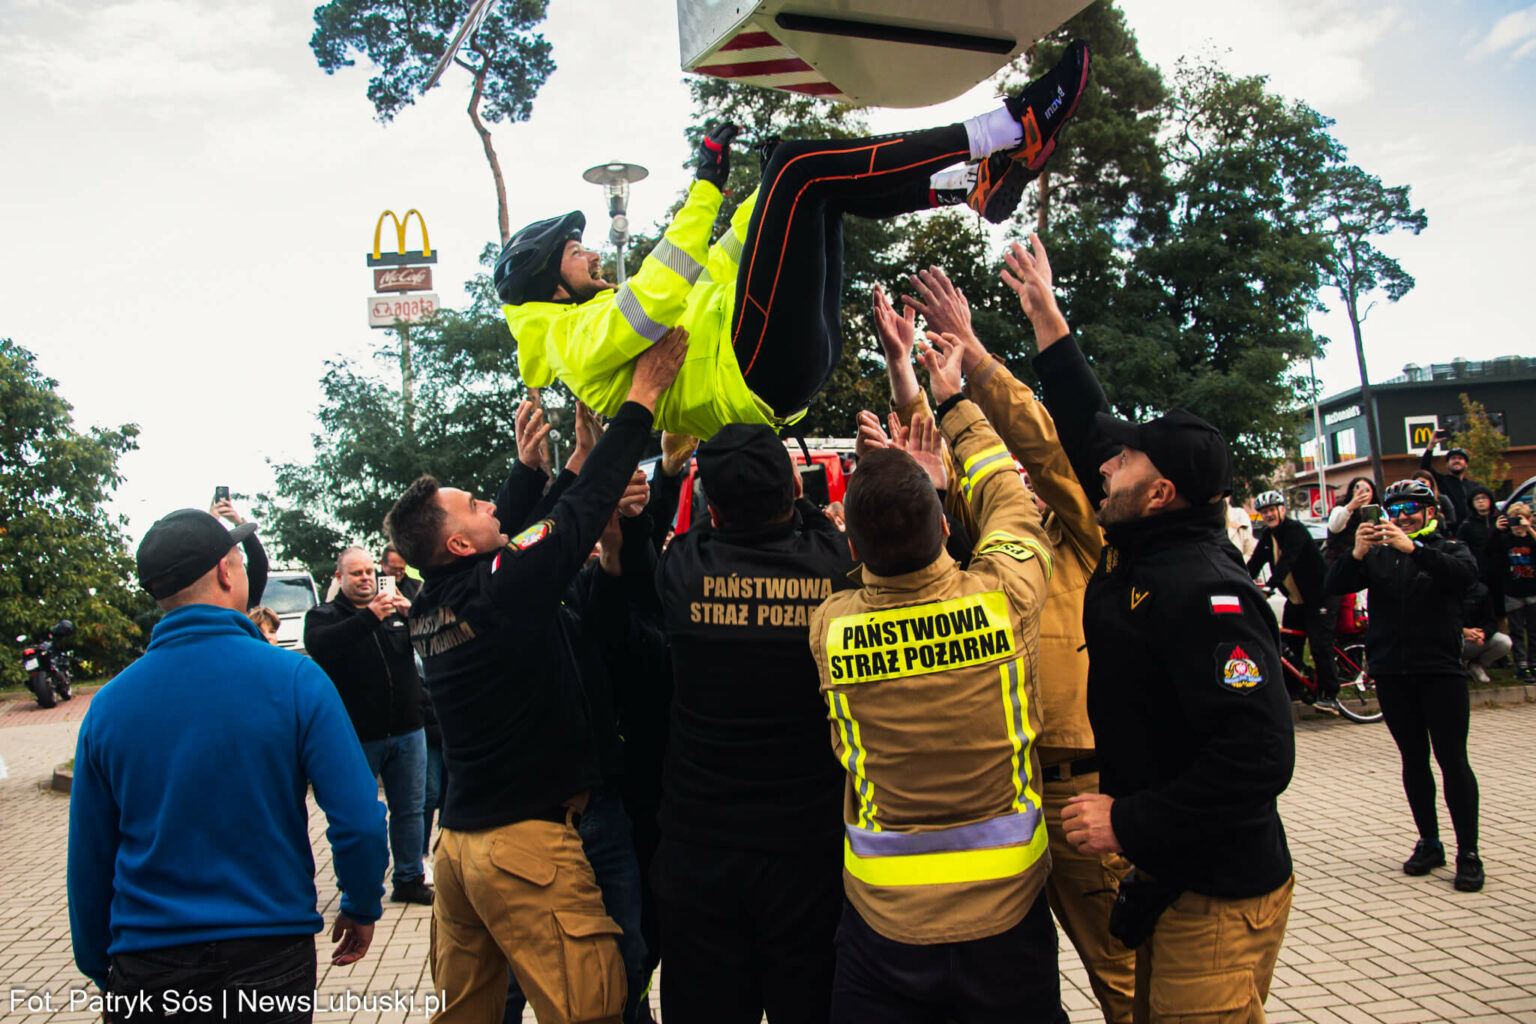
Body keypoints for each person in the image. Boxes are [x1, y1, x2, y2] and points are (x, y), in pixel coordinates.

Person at [493, 43, 1091, 438]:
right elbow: (655, 296)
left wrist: (764, 195)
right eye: (577, 254)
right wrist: (705, 188)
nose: (594, 254)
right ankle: (1011, 126)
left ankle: (969, 184)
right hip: (754, 370)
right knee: (803, 171)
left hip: (774, 366)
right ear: (548, 284)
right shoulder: (567, 340)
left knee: (811, 183)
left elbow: (723, 261)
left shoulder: (589, 318)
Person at [1004, 233, 1296, 1023]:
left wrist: (1127, 818)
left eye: (1126, 462)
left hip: (1217, 893)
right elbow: (1087, 425)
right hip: (1171, 878)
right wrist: (1046, 317)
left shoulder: (1206, 595)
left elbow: (1259, 756)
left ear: (1160, 491)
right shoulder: (1148, 540)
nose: (1106, 465)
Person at [382, 330, 685, 1024]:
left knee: (471, 1010)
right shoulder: (495, 593)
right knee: (594, 1005)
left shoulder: (436, 601)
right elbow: (568, 525)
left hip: (461, 847)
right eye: (477, 506)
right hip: (525, 846)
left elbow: (522, 536)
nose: (493, 505)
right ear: (460, 542)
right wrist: (642, 398)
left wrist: (558, 465)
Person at [878, 266, 1135, 1022]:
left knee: (1124, 979)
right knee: (1019, 996)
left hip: (1086, 795)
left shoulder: (1090, 539)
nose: (1012, 486)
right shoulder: (986, 561)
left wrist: (975, 357)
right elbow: (931, 474)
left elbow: (1047, 448)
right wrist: (905, 375)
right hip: (1006, 803)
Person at [809, 333, 1064, 1023]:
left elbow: (874, 574)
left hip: (883, 923)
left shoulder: (832, 628)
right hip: (1009, 911)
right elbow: (1010, 501)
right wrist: (953, 405)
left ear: (854, 546)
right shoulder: (1003, 597)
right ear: (947, 528)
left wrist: (898, 487)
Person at [69, 509, 388, 1018]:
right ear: (225, 571)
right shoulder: (294, 680)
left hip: (147, 961)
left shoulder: (108, 705)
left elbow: (89, 854)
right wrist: (361, 903)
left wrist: (96, 961)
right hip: (267, 952)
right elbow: (359, 818)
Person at [652, 423, 856, 1024]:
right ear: (793, 488)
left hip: (701, 851)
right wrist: (810, 502)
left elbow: (654, 538)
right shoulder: (835, 567)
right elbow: (826, 527)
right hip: (811, 850)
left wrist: (668, 476)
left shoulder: (682, 572)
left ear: (711, 507)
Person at [1325, 478, 1483, 890]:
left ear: (1432, 512)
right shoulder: (1378, 556)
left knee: (1452, 760)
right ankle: (1429, 842)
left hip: (1440, 671)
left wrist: (1413, 548)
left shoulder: (1447, 549)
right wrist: (1357, 551)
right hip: (1393, 672)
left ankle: (1469, 852)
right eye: (1395, 510)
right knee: (1413, 759)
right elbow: (1332, 585)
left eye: (1413, 508)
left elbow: (1464, 578)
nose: (1403, 516)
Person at [304, 547, 434, 905]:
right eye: (356, 573)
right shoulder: (324, 617)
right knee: (359, 814)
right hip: (358, 736)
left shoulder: (394, 611)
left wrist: (416, 614)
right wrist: (371, 616)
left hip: (408, 730)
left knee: (410, 809)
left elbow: (427, 648)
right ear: (339, 578)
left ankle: (409, 877)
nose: (364, 578)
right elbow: (322, 647)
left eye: (368, 572)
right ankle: (359, 880)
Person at [1247, 491, 1341, 711]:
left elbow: (1288, 561)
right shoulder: (1268, 538)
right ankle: (1294, 691)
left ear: (1282, 510)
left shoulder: (1295, 531)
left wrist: (1270, 586)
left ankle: (1331, 695)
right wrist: (1237, 581)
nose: (1268, 515)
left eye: (1271, 510)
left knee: (1319, 644)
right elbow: (1253, 565)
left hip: (1320, 596)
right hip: (1296, 601)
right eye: (1264, 512)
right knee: (1287, 645)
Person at [1485, 502, 1536, 680]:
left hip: (1532, 591)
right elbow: (1490, 550)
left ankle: (1533, 662)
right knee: (1515, 630)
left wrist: (1528, 530)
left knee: (1533, 630)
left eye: (1519, 521)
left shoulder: (1531, 539)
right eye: (1513, 521)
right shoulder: (1506, 539)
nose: (1517, 526)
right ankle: (1521, 664)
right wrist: (1498, 530)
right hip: (1513, 592)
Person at [211, 496, 269, 609]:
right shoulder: (244, 605)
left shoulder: (189, 614)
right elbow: (259, 562)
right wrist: (238, 522)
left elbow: (259, 562)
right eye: (240, 562)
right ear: (225, 569)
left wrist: (209, 524)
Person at [1460, 580, 1512, 685]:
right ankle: (1455, 669)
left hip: (1476, 639)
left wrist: (1483, 634)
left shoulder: (1482, 590)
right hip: (1454, 638)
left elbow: (1491, 622)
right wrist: (1464, 631)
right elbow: (1441, 623)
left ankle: (1476, 665)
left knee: (1504, 641)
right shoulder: (1445, 590)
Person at [1420, 430, 1471, 526]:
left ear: (1466, 464)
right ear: (1447, 464)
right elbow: (1425, 469)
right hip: (1450, 529)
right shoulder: (1442, 480)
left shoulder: (1473, 486)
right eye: (1453, 458)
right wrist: (1431, 445)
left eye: (1460, 458)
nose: (1456, 461)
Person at [1325, 477, 1379, 566]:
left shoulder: (1377, 511)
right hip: (1341, 562)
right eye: (1358, 489)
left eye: (1367, 490)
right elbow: (1335, 528)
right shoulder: (1340, 509)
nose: (1363, 493)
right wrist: (1351, 506)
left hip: (1369, 563)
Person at [1456, 485, 1500, 578]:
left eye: (1484, 498)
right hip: (1479, 568)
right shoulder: (1467, 525)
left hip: (1499, 567)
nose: (1480, 501)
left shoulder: (1499, 520)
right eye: (1477, 499)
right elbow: (1462, 546)